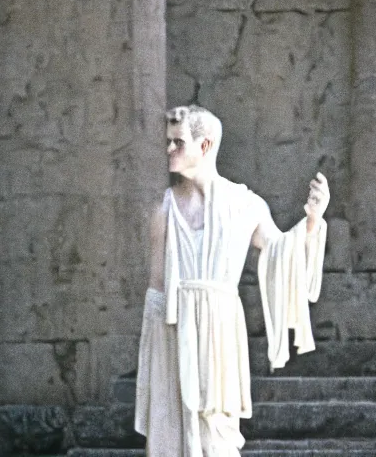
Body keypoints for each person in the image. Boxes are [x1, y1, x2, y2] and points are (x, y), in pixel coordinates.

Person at [134, 105, 330, 456]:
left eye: (177, 143)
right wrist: (156, 377)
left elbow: (281, 253)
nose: (169, 150)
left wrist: (312, 221)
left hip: (219, 336)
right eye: (168, 142)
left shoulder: (245, 204)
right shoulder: (163, 209)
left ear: (205, 146)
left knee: (216, 437)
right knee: (171, 437)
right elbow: (156, 294)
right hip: (173, 334)